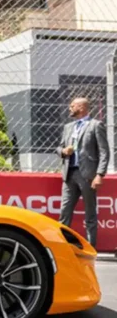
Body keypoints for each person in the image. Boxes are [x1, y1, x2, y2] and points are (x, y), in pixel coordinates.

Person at [57, 97, 109, 248]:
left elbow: (104, 152)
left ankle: (91, 246)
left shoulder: (95, 125)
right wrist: (63, 151)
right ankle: (62, 245)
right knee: (65, 212)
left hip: (87, 175)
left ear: (81, 107)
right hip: (69, 174)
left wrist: (100, 174)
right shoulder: (68, 127)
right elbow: (59, 148)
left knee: (90, 213)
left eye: (72, 106)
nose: (69, 108)